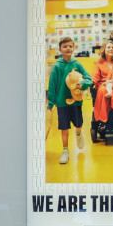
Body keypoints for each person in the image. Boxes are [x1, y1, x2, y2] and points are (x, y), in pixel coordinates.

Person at [47, 37, 92, 165]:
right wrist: (50, 103)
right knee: (64, 127)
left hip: (76, 102)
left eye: (70, 46)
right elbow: (52, 85)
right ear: (60, 49)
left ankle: (78, 134)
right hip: (61, 103)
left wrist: (81, 85)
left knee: (79, 123)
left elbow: (89, 79)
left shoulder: (77, 64)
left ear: (73, 48)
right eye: (65, 46)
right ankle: (65, 150)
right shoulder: (57, 66)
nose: (68, 48)